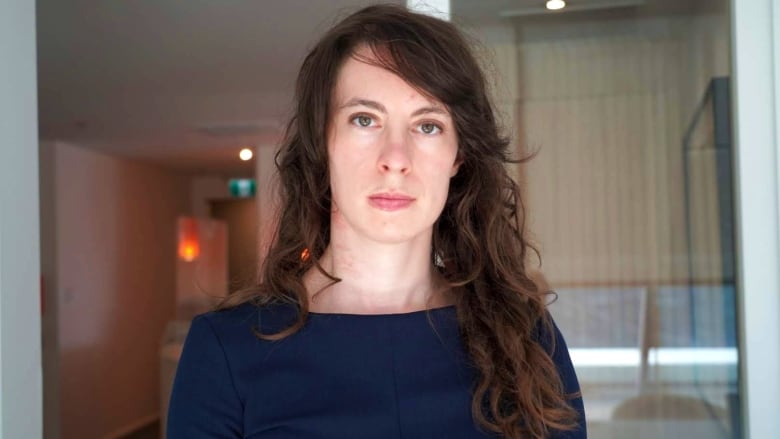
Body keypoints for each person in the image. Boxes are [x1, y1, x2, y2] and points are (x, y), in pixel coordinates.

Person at [167, 4, 586, 439]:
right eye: (364, 119)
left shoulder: (525, 338)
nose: (395, 160)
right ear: (321, 143)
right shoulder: (225, 349)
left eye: (428, 126)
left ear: (458, 155)